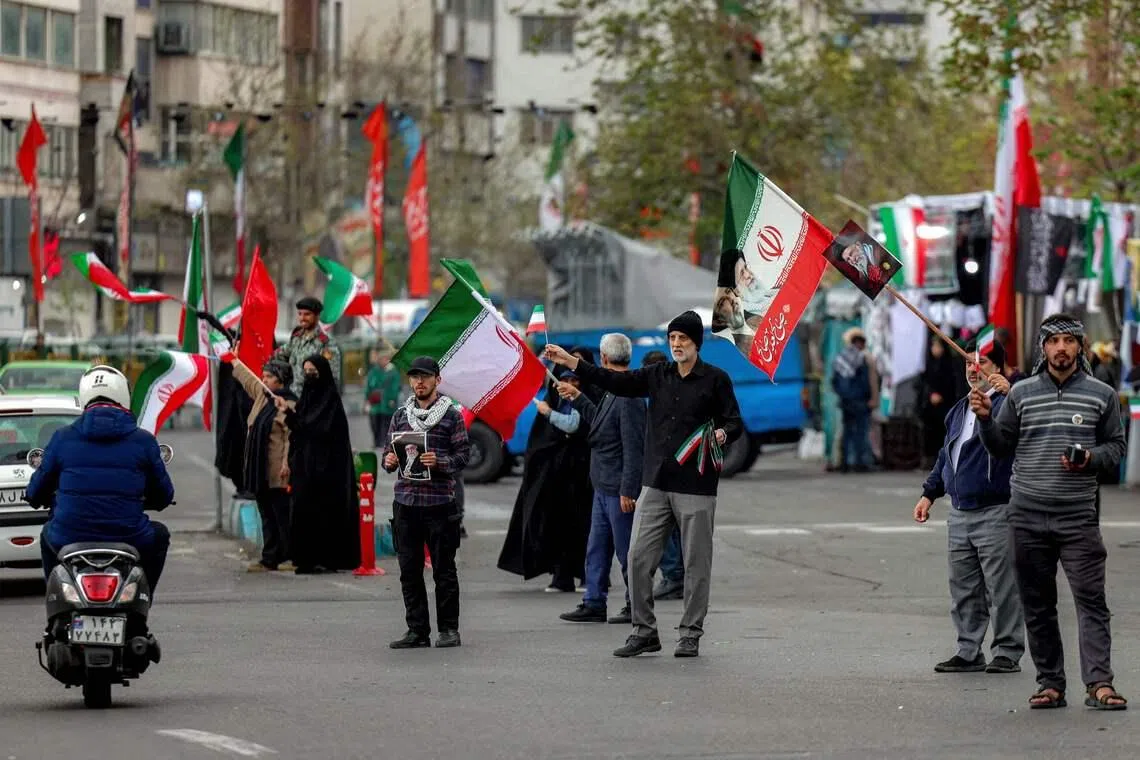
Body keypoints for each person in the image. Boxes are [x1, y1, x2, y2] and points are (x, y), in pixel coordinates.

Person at [545, 310, 743, 658]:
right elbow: (616, 381)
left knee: (696, 566)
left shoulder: (716, 379)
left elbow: (734, 420)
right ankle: (644, 631)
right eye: (673, 339)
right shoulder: (657, 375)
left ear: (696, 343)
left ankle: (690, 633)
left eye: (683, 339)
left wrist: (723, 433)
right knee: (637, 557)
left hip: (696, 487)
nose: (677, 344)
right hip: (654, 483)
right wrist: (574, 365)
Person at [974, 313, 1128, 710]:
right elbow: (1000, 446)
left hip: (1078, 518)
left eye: (1069, 341)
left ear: (1080, 347)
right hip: (1026, 517)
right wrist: (986, 420)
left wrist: (1091, 457)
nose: (1061, 348)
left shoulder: (1101, 394)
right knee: (1038, 603)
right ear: (1042, 349)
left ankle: (1099, 684)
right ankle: (1050, 684)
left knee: (1091, 600)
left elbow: (1116, 449)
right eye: (1054, 341)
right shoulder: (1022, 394)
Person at [28, 365, 174, 642]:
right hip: (130, 537)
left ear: (84, 396)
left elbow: (36, 490)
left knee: (47, 533)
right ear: (123, 396)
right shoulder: (143, 441)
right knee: (160, 534)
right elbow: (164, 495)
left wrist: (36, 497)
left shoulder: (62, 437)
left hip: (69, 536)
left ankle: (56, 615)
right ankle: (141, 607)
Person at [914, 339, 1024, 675]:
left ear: (999, 368)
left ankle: (1007, 650)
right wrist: (929, 493)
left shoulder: (1010, 403)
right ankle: (968, 650)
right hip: (960, 511)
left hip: (996, 509)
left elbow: (1026, 423)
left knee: (1002, 587)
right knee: (963, 587)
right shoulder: (958, 409)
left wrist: (1013, 389)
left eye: (983, 363)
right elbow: (947, 455)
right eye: (967, 364)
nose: (974, 370)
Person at [382, 356, 471, 649]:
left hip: (439, 504)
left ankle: (449, 630)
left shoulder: (451, 416)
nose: (419, 382)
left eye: (425, 377)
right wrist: (390, 460)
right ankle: (417, 630)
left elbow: (463, 456)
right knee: (409, 570)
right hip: (406, 502)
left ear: (437, 380)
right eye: (415, 377)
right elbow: (387, 455)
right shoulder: (400, 416)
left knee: (444, 570)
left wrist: (441, 461)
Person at [558, 333, 646, 626]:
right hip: (603, 483)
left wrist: (628, 489)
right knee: (596, 548)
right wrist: (578, 398)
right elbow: (601, 424)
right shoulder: (613, 389)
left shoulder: (629, 395)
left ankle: (636, 605)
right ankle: (594, 602)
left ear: (605, 358)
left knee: (625, 552)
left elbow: (634, 447)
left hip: (618, 488)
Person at [498, 366, 593, 592]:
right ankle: (561, 576)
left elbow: (574, 425)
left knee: (583, 529)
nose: (568, 383)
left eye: (574, 379)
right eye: (564, 379)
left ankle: (587, 576)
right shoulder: (556, 400)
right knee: (557, 527)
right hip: (557, 481)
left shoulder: (581, 402)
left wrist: (548, 413)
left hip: (581, 480)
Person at [277, 354, 359, 574]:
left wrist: (294, 418)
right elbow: (301, 427)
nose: (309, 375)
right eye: (306, 371)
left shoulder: (330, 401)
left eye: (313, 371)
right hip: (305, 467)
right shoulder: (306, 397)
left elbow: (318, 429)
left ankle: (328, 559)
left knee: (325, 515)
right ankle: (305, 559)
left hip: (327, 472)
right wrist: (288, 413)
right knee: (303, 512)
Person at [235, 358, 297, 572]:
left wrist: (286, 463)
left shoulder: (288, 403)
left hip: (277, 469)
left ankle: (288, 556)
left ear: (280, 380)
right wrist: (235, 362)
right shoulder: (263, 398)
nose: (264, 380)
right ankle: (269, 557)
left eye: (269, 377)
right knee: (266, 514)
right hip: (259, 469)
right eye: (264, 376)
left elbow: (290, 436)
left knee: (282, 515)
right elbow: (250, 382)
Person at [639, 350, 685, 601]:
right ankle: (677, 575)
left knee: (663, 527)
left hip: (663, 472)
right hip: (676, 471)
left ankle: (674, 576)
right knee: (674, 527)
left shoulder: (660, 397)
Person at [831, 327, 877, 472]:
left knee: (847, 433)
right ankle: (859, 463)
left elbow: (834, 382)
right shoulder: (861, 359)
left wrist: (842, 395)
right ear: (860, 343)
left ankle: (844, 463)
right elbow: (865, 382)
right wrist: (869, 398)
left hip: (845, 402)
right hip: (859, 402)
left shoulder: (840, 358)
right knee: (860, 433)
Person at [274, 297, 341, 396]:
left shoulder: (326, 343)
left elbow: (332, 378)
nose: (302, 318)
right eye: (300, 314)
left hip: (313, 400)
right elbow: (278, 354)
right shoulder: (297, 339)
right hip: (293, 397)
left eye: (307, 314)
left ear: (317, 316)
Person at [921, 338, 960, 470]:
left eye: (938, 346)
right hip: (930, 407)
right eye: (934, 346)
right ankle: (930, 459)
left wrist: (942, 395)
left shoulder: (949, 364)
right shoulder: (928, 364)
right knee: (930, 433)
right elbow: (924, 383)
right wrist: (930, 394)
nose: (935, 350)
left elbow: (953, 384)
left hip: (945, 405)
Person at [366, 346, 402, 448]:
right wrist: (367, 399)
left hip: (388, 404)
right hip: (375, 404)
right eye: (382, 358)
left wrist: (392, 398)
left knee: (387, 423)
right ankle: (376, 441)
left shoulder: (393, 372)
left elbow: (395, 387)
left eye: (386, 358)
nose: (384, 361)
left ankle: (385, 442)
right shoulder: (373, 372)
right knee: (374, 424)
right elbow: (368, 386)